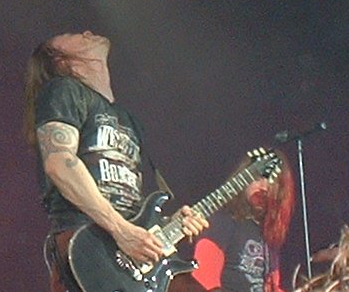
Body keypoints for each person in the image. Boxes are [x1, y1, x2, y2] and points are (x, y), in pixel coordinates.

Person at [22, 30, 209, 292]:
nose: (86, 32)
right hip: (89, 242)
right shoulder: (63, 90)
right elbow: (60, 164)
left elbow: (132, 200)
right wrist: (121, 230)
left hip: (131, 251)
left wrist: (169, 226)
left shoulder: (127, 119)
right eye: (72, 34)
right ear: (62, 61)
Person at [186, 151, 295, 292]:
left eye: (272, 181)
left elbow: (273, 286)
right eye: (258, 177)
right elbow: (203, 279)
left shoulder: (269, 234)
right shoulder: (222, 221)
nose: (264, 186)